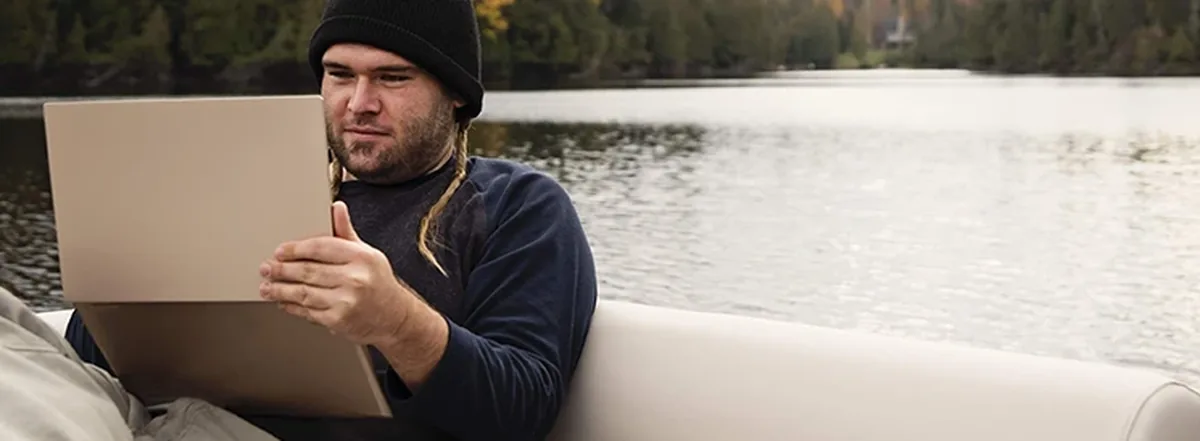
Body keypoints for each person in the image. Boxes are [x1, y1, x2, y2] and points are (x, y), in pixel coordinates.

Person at [62, 0, 599, 440]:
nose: (359, 103)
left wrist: (395, 322)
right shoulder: (252, 189)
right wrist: (128, 276)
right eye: (339, 75)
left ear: (456, 93)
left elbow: (521, 414)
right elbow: (92, 366)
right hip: (151, 423)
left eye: (392, 78)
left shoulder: (517, 205)